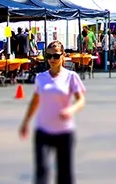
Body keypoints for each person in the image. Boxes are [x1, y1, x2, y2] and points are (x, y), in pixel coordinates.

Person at [19, 41, 85, 184]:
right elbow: (35, 101)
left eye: (55, 56)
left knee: (64, 173)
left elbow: (80, 100)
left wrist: (71, 110)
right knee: (41, 171)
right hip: (43, 130)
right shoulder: (40, 77)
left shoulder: (71, 76)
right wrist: (25, 122)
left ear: (63, 56)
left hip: (64, 131)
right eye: (48, 56)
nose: (52, 60)